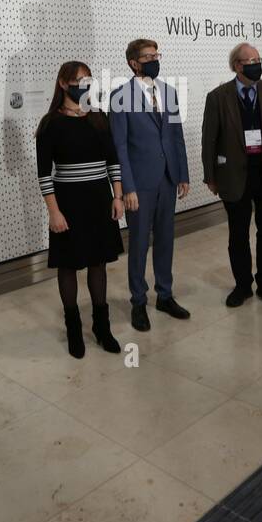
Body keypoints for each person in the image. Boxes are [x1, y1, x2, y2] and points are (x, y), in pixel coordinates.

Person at [36, 62, 126, 358]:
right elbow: (44, 174)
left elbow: (113, 161)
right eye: (79, 80)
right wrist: (54, 212)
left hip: (100, 199)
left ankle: (102, 327)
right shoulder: (50, 123)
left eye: (88, 79)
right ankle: (74, 329)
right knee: (69, 264)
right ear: (63, 83)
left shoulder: (99, 117)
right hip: (68, 202)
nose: (85, 85)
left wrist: (118, 196)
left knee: (99, 263)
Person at [202, 42, 262, 308]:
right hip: (234, 175)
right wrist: (210, 175)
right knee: (238, 234)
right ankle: (242, 286)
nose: (256, 64)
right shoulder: (218, 97)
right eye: (250, 60)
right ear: (236, 66)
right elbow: (209, 139)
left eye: (258, 59)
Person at [109, 38, 191, 331]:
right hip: (140, 185)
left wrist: (183, 174)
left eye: (157, 54)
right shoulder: (120, 97)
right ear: (134, 63)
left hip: (168, 179)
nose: (155, 59)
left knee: (166, 241)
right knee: (140, 244)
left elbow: (176, 136)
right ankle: (138, 301)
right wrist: (127, 188)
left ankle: (165, 295)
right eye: (148, 56)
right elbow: (119, 147)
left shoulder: (168, 93)